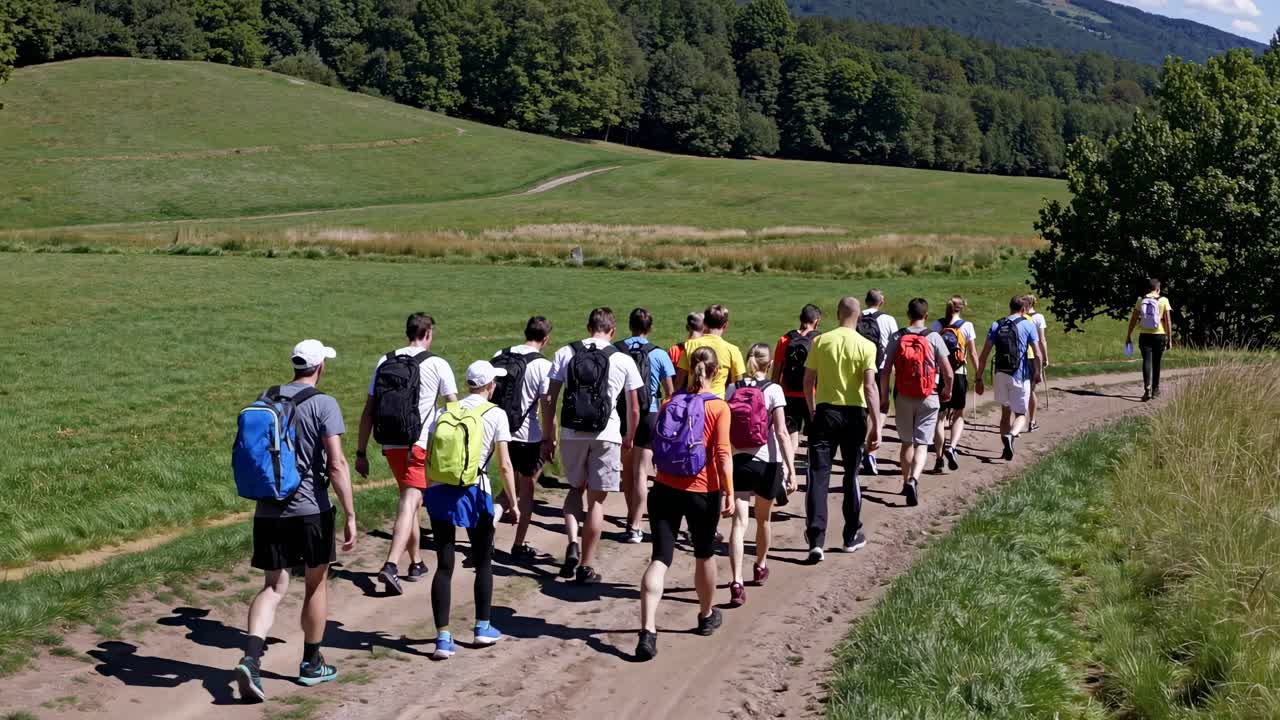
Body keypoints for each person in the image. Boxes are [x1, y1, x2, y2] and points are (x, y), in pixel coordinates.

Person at [235, 340, 356, 702]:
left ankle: (252, 659)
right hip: (310, 511)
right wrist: (350, 513)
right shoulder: (324, 404)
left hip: (268, 508)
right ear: (320, 367)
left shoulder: (267, 397)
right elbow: (336, 464)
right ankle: (310, 663)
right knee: (317, 585)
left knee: (273, 588)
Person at [636, 347, 734, 661]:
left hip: (664, 486)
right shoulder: (719, 407)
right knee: (704, 553)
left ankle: (648, 629)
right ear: (717, 372)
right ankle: (706, 615)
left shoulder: (669, 403)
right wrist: (729, 492)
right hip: (702, 490)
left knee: (660, 558)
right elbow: (722, 454)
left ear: (690, 370)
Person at [414, 360, 517, 659]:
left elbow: (430, 455)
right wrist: (513, 502)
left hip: (440, 492)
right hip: (475, 492)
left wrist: (428, 492)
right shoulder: (495, 414)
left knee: (444, 565)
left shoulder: (444, 412)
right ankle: (482, 627)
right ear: (490, 386)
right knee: (483, 561)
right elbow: (505, 465)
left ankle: (443, 639)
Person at [358, 313, 458, 596]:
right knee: (411, 499)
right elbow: (454, 408)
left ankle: (416, 563)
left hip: (390, 441)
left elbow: (369, 410)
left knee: (408, 501)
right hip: (419, 443)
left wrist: (361, 451)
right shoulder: (437, 363)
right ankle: (390, 564)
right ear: (428, 334)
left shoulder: (385, 360)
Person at [543, 308, 643, 584]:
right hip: (606, 433)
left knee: (575, 488)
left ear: (588, 327)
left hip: (572, 432)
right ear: (613, 330)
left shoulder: (566, 352)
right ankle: (586, 565)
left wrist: (548, 434)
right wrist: (630, 436)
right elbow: (634, 407)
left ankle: (573, 542)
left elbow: (549, 398)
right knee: (596, 500)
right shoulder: (622, 359)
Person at [803, 297, 881, 562]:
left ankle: (816, 538)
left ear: (838, 314)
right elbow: (870, 387)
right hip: (853, 413)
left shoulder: (821, 341)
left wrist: (813, 409)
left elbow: (808, 380)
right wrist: (876, 425)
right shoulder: (866, 345)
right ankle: (850, 535)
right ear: (858, 317)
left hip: (825, 410)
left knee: (818, 475)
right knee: (851, 475)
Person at [725, 343, 796, 605]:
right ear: (768, 365)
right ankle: (760, 564)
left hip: (739, 460)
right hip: (767, 463)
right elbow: (781, 432)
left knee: (738, 523)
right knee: (763, 520)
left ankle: (736, 580)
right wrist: (790, 469)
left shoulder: (733, 388)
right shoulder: (774, 390)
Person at [491, 317, 554, 562]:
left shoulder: (500, 353)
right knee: (526, 490)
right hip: (527, 435)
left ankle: (489, 531)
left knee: (507, 488)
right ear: (546, 339)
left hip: (498, 431)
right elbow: (547, 406)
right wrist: (550, 438)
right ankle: (518, 544)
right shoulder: (542, 365)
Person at [879, 299, 953, 507]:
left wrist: (884, 397)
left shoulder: (898, 336)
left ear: (908, 314)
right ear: (926, 316)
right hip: (929, 395)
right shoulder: (934, 337)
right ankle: (914, 479)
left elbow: (885, 372)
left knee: (906, 442)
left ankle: (905, 481)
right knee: (922, 443)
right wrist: (946, 391)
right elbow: (948, 372)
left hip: (903, 395)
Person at [618, 308, 677, 544]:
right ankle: (635, 525)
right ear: (650, 328)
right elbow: (671, 392)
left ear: (629, 325)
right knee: (642, 472)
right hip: (649, 412)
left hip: (623, 413)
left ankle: (629, 516)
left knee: (627, 471)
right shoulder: (659, 354)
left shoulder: (617, 350)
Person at [976, 297, 1042, 461]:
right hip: (1019, 374)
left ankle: (1006, 449)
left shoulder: (997, 324)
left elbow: (984, 355)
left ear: (1010, 307)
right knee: (1021, 414)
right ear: (1023, 309)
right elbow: (1038, 354)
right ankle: (1012, 435)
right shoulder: (1028, 324)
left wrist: (978, 377)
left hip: (1000, 373)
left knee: (1005, 414)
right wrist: (1038, 373)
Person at [930, 296, 977, 472]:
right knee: (958, 413)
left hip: (940, 375)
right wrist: (978, 374)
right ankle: (952, 447)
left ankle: (939, 457)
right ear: (961, 308)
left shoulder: (936, 325)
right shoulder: (967, 326)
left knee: (940, 417)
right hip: (958, 374)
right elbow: (972, 353)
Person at [772, 304, 822, 462]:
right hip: (812, 395)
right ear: (816, 321)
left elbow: (776, 373)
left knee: (791, 436)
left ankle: (789, 470)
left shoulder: (785, 339)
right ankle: (811, 473)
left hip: (788, 396)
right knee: (814, 437)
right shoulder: (819, 340)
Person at [856, 290, 898, 475]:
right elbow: (895, 346)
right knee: (880, 408)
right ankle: (871, 450)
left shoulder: (856, 316)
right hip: (880, 369)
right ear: (882, 302)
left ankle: (858, 445)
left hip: (857, 369)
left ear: (866, 301)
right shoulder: (888, 320)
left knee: (861, 408)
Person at [674, 304, 746, 399]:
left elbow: (679, 382)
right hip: (717, 404)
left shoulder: (690, 345)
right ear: (725, 325)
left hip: (692, 403)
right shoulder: (732, 350)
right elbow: (739, 386)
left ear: (704, 323)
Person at [1126, 278, 1173, 401]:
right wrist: (1170, 339)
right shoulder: (1164, 300)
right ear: (1158, 289)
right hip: (1160, 335)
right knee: (1157, 362)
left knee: (1146, 361)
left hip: (1145, 335)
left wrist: (1128, 335)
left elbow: (1134, 319)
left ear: (1148, 288)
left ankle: (1147, 389)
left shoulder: (1140, 300)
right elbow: (1168, 321)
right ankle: (1156, 390)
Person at [1021, 295, 1049, 431]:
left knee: (1020, 388)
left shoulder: (1018, 317)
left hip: (1019, 356)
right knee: (1031, 390)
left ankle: (1019, 420)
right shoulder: (1039, 317)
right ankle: (1031, 421)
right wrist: (1045, 357)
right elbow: (1042, 340)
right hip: (1033, 356)